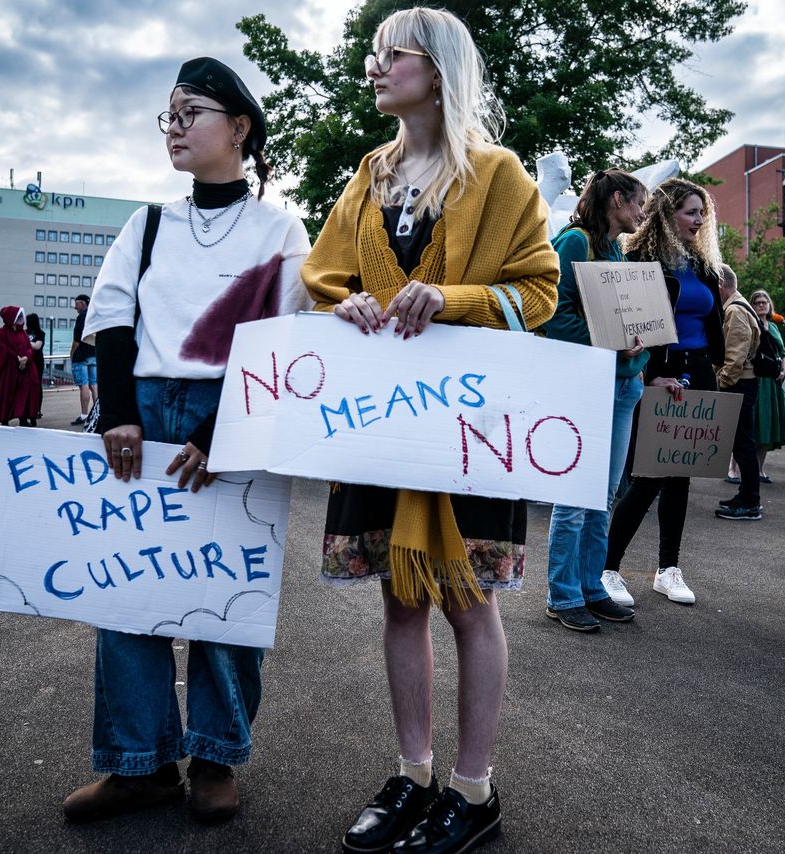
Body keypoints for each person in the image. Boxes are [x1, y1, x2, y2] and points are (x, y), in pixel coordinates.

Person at [301, 9, 559, 852]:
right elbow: (322, 278)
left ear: (439, 69)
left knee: (469, 602)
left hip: (470, 424)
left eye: (392, 54)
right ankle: (412, 775)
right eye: (372, 55)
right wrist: (352, 302)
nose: (374, 67)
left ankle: (473, 790)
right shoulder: (367, 175)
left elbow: (539, 293)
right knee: (399, 599)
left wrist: (449, 300)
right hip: (381, 423)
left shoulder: (500, 174)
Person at [65, 56, 312, 824]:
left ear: (239, 127)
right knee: (128, 584)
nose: (173, 127)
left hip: (237, 409)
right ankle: (138, 763)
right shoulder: (145, 225)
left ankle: (215, 756)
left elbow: (282, 334)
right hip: (144, 407)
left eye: (190, 112)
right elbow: (110, 318)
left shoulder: (281, 228)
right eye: (167, 114)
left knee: (226, 592)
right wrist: (117, 413)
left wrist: (220, 425)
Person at [603, 177, 726, 606]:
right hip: (657, 374)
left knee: (681, 473)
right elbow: (632, 326)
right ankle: (608, 568)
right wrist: (649, 374)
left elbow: (712, 323)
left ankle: (667, 570)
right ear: (666, 213)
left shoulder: (704, 266)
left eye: (702, 213)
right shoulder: (637, 259)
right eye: (691, 211)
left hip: (699, 373)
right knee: (647, 477)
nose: (699, 220)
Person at [541, 169, 648, 629]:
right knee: (575, 493)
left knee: (603, 494)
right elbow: (551, 314)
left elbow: (622, 318)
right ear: (618, 200)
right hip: (589, 382)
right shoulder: (575, 243)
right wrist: (609, 339)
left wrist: (637, 341)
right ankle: (562, 596)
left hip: (625, 384)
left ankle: (590, 587)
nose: (642, 213)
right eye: (638, 203)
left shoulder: (616, 249)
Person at [713, 267, 763, 520]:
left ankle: (750, 502)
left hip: (739, 385)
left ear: (721, 283)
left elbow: (734, 358)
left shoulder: (735, 310)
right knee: (742, 443)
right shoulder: (740, 306)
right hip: (742, 384)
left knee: (743, 445)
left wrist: (721, 385)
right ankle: (746, 496)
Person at [750, 289, 785, 483]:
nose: (762, 305)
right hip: (756, 380)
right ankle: (733, 469)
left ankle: (759, 469)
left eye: (764, 302)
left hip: (772, 383)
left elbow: (782, 352)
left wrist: (784, 369)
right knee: (751, 425)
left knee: (767, 426)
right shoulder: (751, 324)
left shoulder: (773, 327)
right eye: (757, 302)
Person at [0, 306, 41, 427]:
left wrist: (26, 358)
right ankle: (5, 419)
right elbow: (4, 348)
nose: (21, 319)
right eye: (18, 316)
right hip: (10, 369)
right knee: (8, 393)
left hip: (24, 368)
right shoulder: (2, 332)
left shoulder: (22, 332)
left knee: (24, 393)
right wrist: (16, 357)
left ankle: (23, 418)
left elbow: (29, 348)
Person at [70, 294, 97, 425]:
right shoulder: (94, 315)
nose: (75, 307)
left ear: (83, 303)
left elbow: (77, 339)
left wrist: (72, 353)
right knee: (94, 384)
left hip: (81, 355)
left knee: (84, 385)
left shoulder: (82, 317)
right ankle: (97, 414)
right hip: (94, 353)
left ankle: (84, 415)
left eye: (77, 303)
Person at [25, 312, 46, 419]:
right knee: (26, 385)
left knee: (37, 385)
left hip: (37, 362)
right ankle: (28, 409)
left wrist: (25, 342)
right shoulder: (24, 332)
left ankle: (37, 409)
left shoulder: (40, 333)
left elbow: (37, 346)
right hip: (27, 361)